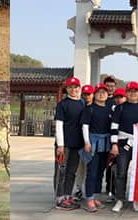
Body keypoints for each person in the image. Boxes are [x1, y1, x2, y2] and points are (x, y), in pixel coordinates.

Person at [110, 82, 138, 213]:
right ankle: (120, 199)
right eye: (130, 91)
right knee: (121, 173)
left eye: (135, 91)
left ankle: (136, 199)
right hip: (123, 145)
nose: (133, 93)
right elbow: (114, 127)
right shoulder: (120, 108)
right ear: (126, 93)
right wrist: (114, 144)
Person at [53, 77, 84, 210]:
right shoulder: (63, 104)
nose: (73, 90)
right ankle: (59, 198)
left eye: (76, 87)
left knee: (72, 171)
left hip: (77, 144)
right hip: (64, 145)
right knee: (61, 171)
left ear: (79, 88)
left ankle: (67, 195)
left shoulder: (82, 103)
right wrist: (60, 145)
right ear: (67, 89)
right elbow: (59, 125)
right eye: (70, 87)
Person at [81, 84, 111, 212]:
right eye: (98, 92)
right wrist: (87, 142)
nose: (101, 94)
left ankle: (96, 196)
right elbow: (85, 126)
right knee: (92, 172)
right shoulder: (89, 109)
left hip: (105, 144)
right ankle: (89, 198)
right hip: (93, 143)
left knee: (100, 172)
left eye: (104, 92)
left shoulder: (110, 109)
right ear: (94, 94)